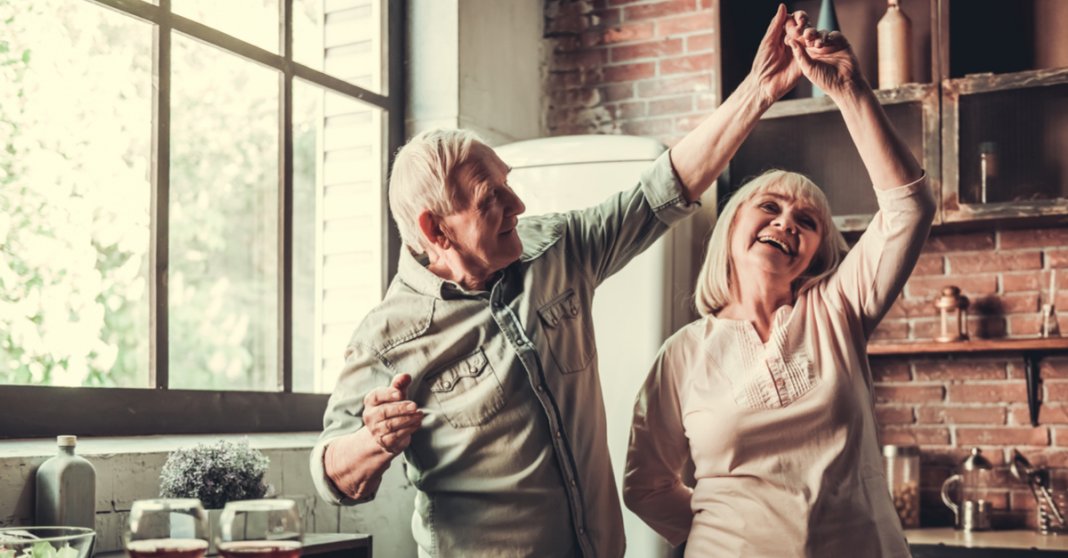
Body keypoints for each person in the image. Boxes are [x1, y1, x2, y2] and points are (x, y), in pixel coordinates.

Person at [310, 6, 808, 556]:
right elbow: (333, 477)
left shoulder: (555, 248)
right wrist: (371, 440)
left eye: (508, 185)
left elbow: (662, 189)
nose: (517, 205)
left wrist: (759, 89)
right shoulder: (388, 336)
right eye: (491, 199)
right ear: (435, 229)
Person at [622, 13, 935, 558]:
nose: (786, 222)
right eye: (769, 206)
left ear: (816, 251)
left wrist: (849, 89)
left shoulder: (837, 308)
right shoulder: (683, 354)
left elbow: (908, 208)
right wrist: (724, 538)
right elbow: (645, 485)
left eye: (807, 221)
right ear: (731, 227)